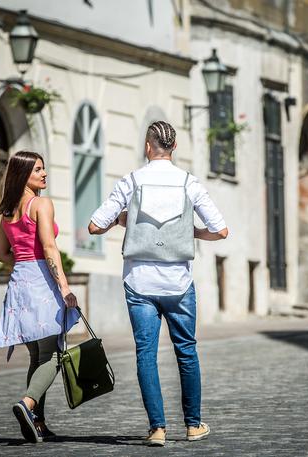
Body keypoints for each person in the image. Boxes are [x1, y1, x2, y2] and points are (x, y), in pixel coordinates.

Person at [88, 121, 228, 447]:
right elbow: (220, 230)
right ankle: (193, 425)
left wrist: (124, 219)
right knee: (187, 352)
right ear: (174, 148)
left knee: (146, 356)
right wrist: (191, 232)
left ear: (147, 147)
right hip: (178, 282)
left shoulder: (131, 181)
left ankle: (157, 429)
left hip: (139, 282)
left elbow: (96, 225)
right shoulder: (189, 183)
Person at [0, 150, 79, 443]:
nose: (44, 174)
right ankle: (28, 404)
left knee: (36, 357)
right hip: (42, 283)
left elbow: (1, 253)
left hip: (19, 284)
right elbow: (49, 246)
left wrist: (24, 262)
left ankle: (37, 423)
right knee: (54, 355)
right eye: (38, 170)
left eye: (43, 169)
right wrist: (64, 287)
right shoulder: (41, 204)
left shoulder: (7, 210)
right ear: (24, 175)